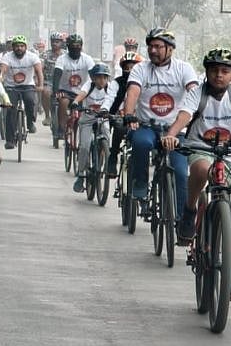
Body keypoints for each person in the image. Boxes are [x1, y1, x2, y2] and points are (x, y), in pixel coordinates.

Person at [160, 48, 231, 298]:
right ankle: (190, 208)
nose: (219, 75)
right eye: (214, 70)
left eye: (225, 71)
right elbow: (185, 115)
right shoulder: (198, 94)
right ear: (207, 72)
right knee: (202, 169)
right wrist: (172, 134)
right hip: (200, 147)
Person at [120, 28, 200, 219]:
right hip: (147, 127)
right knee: (141, 143)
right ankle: (140, 183)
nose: (152, 51)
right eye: (150, 47)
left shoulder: (184, 68)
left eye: (158, 47)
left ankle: (181, 218)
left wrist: (199, 111)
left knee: (181, 172)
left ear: (170, 49)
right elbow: (133, 92)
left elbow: (194, 92)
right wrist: (129, 114)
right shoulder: (140, 69)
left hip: (176, 131)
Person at [69, 64, 120, 193]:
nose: (102, 80)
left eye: (104, 77)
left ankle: (102, 160)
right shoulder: (89, 85)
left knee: (106, 138)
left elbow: (116, 100)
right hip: (87, 119)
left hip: (103, 118)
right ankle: (81, 175)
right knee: (85, 147)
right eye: (99, 77)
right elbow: (82, 94)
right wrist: (76, 102)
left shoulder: (110, 88)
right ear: (93, 78)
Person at [0, 35, 43, 147]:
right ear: (12, 47)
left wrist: (40, 85)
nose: (19, 48)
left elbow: (38, 71)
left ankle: (30, 123)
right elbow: (3, 70)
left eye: (22, 46)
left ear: (26, 47)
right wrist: (0, 77)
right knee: (11, 110)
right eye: (17, 46)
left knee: (30, 100)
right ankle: (10, 140)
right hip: (11, 87)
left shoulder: (32, 56)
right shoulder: (7, 57)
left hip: (27, 85)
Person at [52, 34, 96, 141]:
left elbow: (94, 76)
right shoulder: (62, 59)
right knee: (63, 102)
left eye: (78, 45)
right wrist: (56, 92)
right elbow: (57, 76)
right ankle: (61, 129)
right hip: (66, 91)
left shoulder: (87, 59)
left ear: (81, 46)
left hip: (82, 92)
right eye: (73, 45)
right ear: (68, 46)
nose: (75, 48)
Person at [106, 52, 143, 176]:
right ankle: (113, 158)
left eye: (133, 67)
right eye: (126, 67)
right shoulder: (117, 83)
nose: (129, 70)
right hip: (120, 117)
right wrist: (105, 109)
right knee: (119, 127)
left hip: (140, 119)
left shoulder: (146, 83)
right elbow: (110, 98)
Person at [40, 32, 65, 127]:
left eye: (57, 41)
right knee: (45, 92)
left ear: (61, 43)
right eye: (53, 41)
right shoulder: (45, 55)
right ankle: (47, 116)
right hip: (49, 82)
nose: (55, 43)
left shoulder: (66, 55)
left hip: (64, 83)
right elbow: (40, 67)